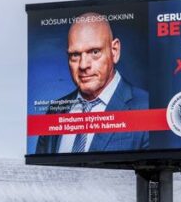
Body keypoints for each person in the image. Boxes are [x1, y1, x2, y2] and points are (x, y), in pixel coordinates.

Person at [35, 13, 149, 154]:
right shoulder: (53, 113)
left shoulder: (148, 108)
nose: (83, 65)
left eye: (95, 52)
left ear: (115, 51)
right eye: (75, 55)